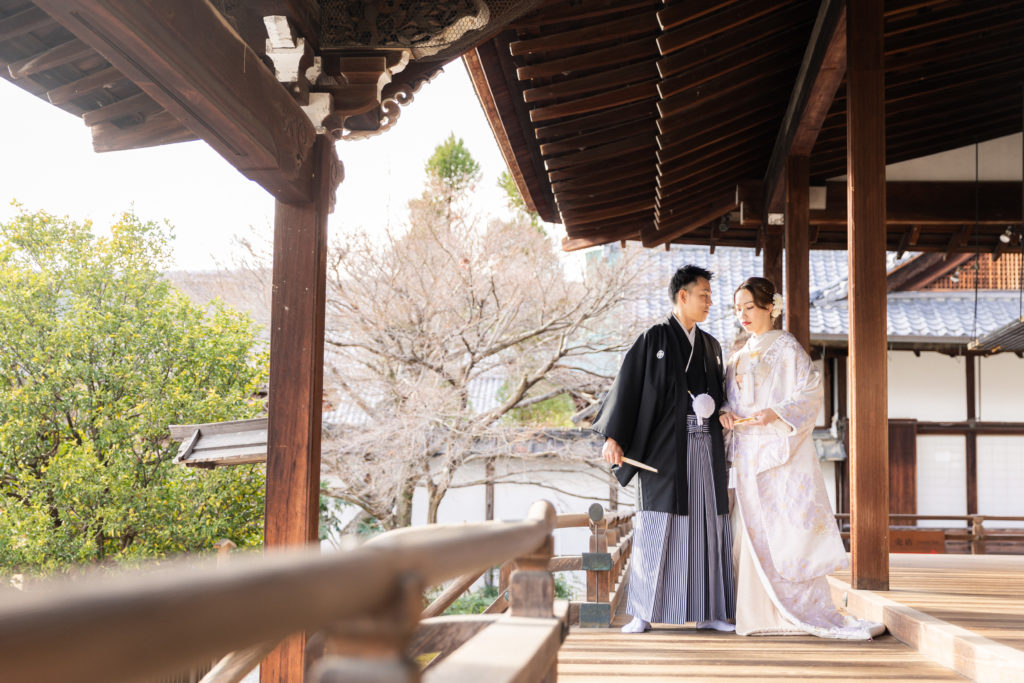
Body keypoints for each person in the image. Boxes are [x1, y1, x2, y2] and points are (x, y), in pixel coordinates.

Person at [720, 277, 883, 639]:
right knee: (744, 529)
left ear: (769, 308)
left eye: (749, 307)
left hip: (779, 455)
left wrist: (776, 413)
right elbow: (729, 401)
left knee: (783, 529)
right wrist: (725, 414)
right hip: (747, 453)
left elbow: (809, 392)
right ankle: (750, 610)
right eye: (737, 309)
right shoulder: (737, 356)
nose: (742, 315)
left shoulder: (788, 348)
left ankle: (790, 608)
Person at [593, 265, 735, 634]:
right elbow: (628, 388)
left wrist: (719, 409)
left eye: (709, 295)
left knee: (707, 525)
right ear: (682, 296)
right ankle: (642, 610)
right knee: (659, 524)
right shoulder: (653, 339)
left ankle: (710, 610)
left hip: (705, 446)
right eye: (703, 294)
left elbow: (720, 395)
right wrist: (615, 436)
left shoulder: (710, 346)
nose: (709, 301)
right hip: (665, 451)